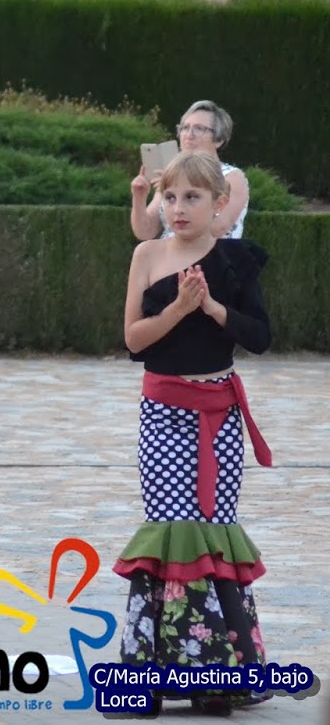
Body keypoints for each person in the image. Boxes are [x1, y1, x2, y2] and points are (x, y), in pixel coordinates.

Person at [118, 150, 273, 715]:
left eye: (192, 198)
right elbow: (134, 340)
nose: (178, 208)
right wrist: (179, 309)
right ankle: (155, 673)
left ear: (219, 205)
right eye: (170, 197)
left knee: (213, 529)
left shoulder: (235, 262)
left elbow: (260, 337)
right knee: (173, 528)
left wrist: (212, 307)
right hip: (164, 412)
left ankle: (222, 673)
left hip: (220, 413)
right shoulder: (147, 254)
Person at [131, 100, 250, 241]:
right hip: (167, 253)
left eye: (199, 129)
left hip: (211, 254)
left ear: (219, 140)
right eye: (185, 128)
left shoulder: (232, 177)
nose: (189, 134)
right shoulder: (172, 175)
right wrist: (139, 197)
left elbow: (218, 227)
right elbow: (145, 232)